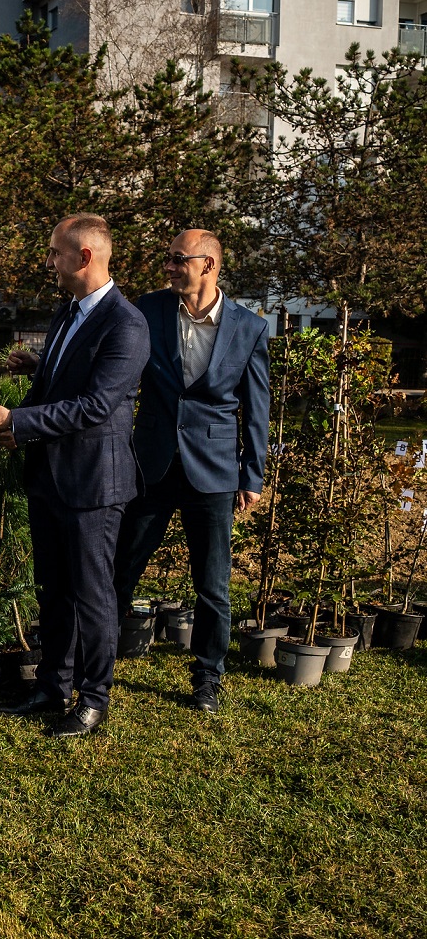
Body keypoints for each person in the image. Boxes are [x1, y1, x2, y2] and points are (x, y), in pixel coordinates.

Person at [0, 213, 149, 738]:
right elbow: (52, 388)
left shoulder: (126, 324)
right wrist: (18, 424)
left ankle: (94, 700)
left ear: (84, 257)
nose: (49, 261)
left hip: (93, 484)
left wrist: (19, 422)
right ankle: (53, 685)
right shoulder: (67, 312)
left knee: (92, 594)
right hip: (49, 476)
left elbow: (95, 405)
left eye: (55, 252)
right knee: (53, 591)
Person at [113, 229, 269, 713]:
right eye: (169, 257)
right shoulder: (148, 310)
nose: (169, 266)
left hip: (214, 470)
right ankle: (93, 660)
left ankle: (207, 678)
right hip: (152, 463)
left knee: (212, 585)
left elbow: (256, 408)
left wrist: (252, 474)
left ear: (209, 265)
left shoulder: (249, 327)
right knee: (120, 568)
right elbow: (110, 361)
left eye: (178, 259)